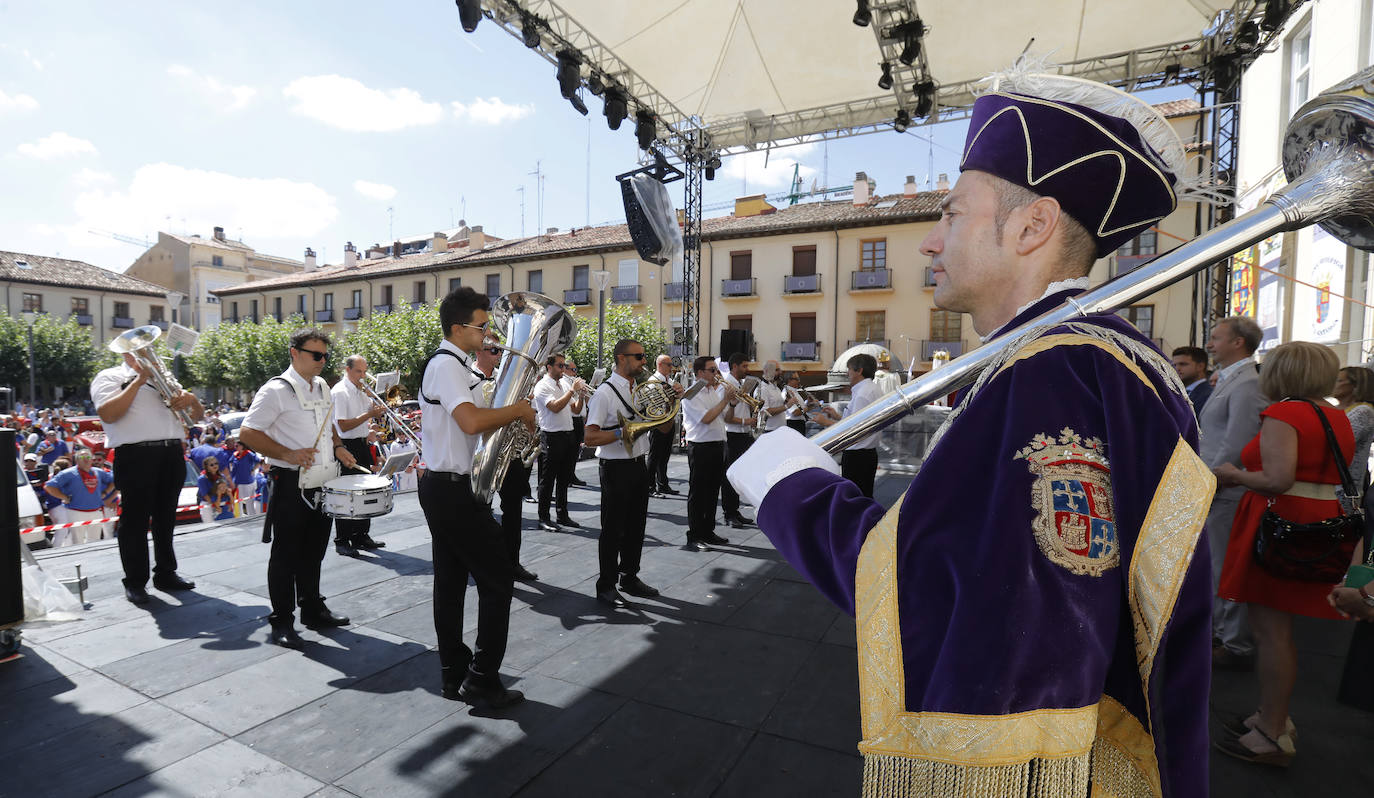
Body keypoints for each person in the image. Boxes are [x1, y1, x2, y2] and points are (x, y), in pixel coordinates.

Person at [725, 72, 1213, 796]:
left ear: (1031, 226)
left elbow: (957, 600)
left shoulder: (1057, 369)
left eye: (952, 214)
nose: (929, 241)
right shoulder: (1095, 359)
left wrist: (791, 491)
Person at [1213, 342, 1354, 766]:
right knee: (1277, 632)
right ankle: (1270, 717)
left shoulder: (1284, 413)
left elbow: (1276, 479)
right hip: (1314, 523)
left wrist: (1232, 474)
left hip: (1279, 526)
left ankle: (1272, 731)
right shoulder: (1335, 415)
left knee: (1271, 633)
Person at [418, 287, 533, 708]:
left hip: (447, 486)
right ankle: (481, 678)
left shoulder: (456, 366)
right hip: (452, 490)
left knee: (450, 584)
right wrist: (517, 411)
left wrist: (510, 414)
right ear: (457, 328)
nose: (488, 334)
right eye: (481, 327)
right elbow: (470, 422)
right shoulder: (447, 365)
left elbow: (475, 425)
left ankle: (454, 673)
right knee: (498, 578)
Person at [239, 328, 357, 650]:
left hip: (323, 479)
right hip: (291, 481)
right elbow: (248, 432)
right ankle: (282, 620)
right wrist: (287, 454)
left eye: (325, 356)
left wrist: (339, 447)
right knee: (285, 554)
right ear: (295, 352)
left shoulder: (322, 387)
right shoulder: (275, 390)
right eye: (315, 355)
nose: (322, 361)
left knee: (314, 551)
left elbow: (327, 425)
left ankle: (312, 608)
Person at [91, 350, 204, 605]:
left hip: (172, 451)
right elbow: (108, 414)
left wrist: (191, 399)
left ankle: (166, 573)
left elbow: (195, 417)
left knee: (166, 518)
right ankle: (135, 581)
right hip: (135, 454)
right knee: (135, 522)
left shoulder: (165, 379)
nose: (151, 355)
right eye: (142, 350)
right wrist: (139, 381)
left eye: (151, 350)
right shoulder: (110, 376)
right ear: (127, 354)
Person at [1199, 316, 1269, 671]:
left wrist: (1210, 481)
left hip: (1225, 488)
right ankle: (1222, 634)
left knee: (1225, 565)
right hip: (1219, 486)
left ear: (1238, 342)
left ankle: (1234, 642)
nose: (1210, 344)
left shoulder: (1245, 385)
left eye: (1215, 338)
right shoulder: (1235, 380)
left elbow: (1236, 443)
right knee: (1216, 564)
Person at [583, 339, 661, 607]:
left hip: (639, 464)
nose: (643, 361)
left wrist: (670, 403)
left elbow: (663, 428)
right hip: (615, 469)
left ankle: (629, 577)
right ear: (621, 358)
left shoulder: (639, 390)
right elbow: (590, 437)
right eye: (638, 356)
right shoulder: (604, 394)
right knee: (613, 530)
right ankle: (605, 584)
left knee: (636, 526)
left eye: (643, 356)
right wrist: (620, 432)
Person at [476, 341, 540, 582]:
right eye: (494, 351)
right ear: (478, 352)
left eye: (500, 351)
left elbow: (529, 423)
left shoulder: (508, 382)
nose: (499, 355)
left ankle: (512, 562)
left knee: (513, 511)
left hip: (510, 455)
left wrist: (525, 415)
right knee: (480, 511)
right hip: (481, 455)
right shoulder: (470, 378)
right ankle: (482, 561)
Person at [331, 354, 388, 556]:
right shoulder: (340, 392)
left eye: (365, 371)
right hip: (346, 445)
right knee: (347, 494)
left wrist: (377, 412)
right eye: (359, 371)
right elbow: (344, 426)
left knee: (365, 491)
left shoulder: (361, 392)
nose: (363, 376)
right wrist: (369, 415)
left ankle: (361, 535)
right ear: (347, 370)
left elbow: (368, 419)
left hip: (362, 444)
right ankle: (342, 540)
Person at [681, 356, 737, 552]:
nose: (717, 374)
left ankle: (708, 531)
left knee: (713, 492)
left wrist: (732, 404)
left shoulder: (713, 392)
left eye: (716, 370)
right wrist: (725, 400)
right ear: (700, 373)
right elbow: (706, 418)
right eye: (712, 370)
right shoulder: (691, 394)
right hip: (700, 446)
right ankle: (694, 535)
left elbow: (726, 418)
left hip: (717, 445)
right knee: (698, 493)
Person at [814, 353, 882, 498]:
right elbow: (860, 421)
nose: (847, 373)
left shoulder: (862, 394)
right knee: (864, 495)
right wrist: (837, 416)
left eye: (849, 369)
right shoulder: (873, 389)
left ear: (859, 371)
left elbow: (854, 430)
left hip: (857, 456)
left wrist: (825, 422)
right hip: (867, 454)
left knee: (854, 498)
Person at [532, 354, 583, 532]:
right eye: (560, 366)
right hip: (552, 437)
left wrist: (581, 395)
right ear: (549, 367)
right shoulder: (542, 385)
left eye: (564, 365)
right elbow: (554, 407)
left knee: (564, 478)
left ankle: (562, 514)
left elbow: (575, 409)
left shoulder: (565, 384)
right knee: (547, 480)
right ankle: (543, 518)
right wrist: (571, 391)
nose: (563, 369)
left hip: (568, 435)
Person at [44, 449, 118, 546]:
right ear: (77, 460)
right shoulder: (68, 473)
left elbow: (114, 481)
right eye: (82, 457)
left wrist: (105, 493)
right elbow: (49, 486)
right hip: (75, 512)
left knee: (94, 541)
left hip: (96, 512)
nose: (86, 459)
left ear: (91, 459)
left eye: (88, 457)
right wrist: (64, 497)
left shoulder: (98, 472)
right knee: (77, 542)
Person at [719, 352, 755, 528]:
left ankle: (734, 510)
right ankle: (729, 513)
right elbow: (726, 416)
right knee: (729, 476)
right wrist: (745, 421)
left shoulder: (740, 384)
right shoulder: (727, 386)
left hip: (743, 433)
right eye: (744, 366)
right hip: (732, 434)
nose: (747, 369)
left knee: (739, 474)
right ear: (734, 366)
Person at [646, 354, 681, 496]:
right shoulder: (653, 381)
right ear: (660, 365)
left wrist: (679, 392)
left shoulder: (669, 381)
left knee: (665, 456)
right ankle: (649, 487)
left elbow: (676, 398)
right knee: (654, 456)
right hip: (658, 423)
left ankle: (663, 484)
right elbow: (654, 402)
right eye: (669, 364)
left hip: (669, 420)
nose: (671, 367)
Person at [565, 357, 589, 486]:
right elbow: (572, 404)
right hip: (571, 419)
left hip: (579, 419)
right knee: (569, 451)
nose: (575, 373)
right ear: (566, 369)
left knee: (575, 451)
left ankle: (571, 475)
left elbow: (585, 403)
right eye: (573, 370)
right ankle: (567, 476)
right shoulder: (565, 382)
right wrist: (576, 390)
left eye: (576, 370)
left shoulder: (573, 381)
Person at [1171, 345, 1213, 413]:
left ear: (1200, 366)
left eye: (1183, 364)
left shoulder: (1208, 394)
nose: (1177, 368)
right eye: (1174, 365)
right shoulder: (1177, 392)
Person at [228, 440, 263, 516]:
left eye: (237, 446)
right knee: (238, 501)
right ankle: (239, 516)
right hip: (237, 482)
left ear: (242, 446)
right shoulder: (235, 455)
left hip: (248, 482)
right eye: (235, 446)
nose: (235, 447)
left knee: (249, 501)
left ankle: (252, 516)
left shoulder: (249, 454)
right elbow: (230, 462)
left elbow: (259, 461)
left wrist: (253, 469)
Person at [196, 455, 234, 523]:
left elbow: (226, 491)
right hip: (208, 504)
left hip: (221, 503)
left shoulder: (222, 476)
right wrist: (215, 507)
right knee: (210, 526)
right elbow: (205, 495)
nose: (214, 465)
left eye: (216, 463)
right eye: (211, 464)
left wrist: (229, 504)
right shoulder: (202, 479)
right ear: (206, 467)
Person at [756, 360, 788, 436]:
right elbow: (765, 412)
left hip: (780, 429)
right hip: (769, 430)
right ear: (767, 371)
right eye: (777, 370)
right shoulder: (762, 388)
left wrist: (787, 401)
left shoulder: (775, 387)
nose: (780, 372)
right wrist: (786, 406)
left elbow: (777, 406)